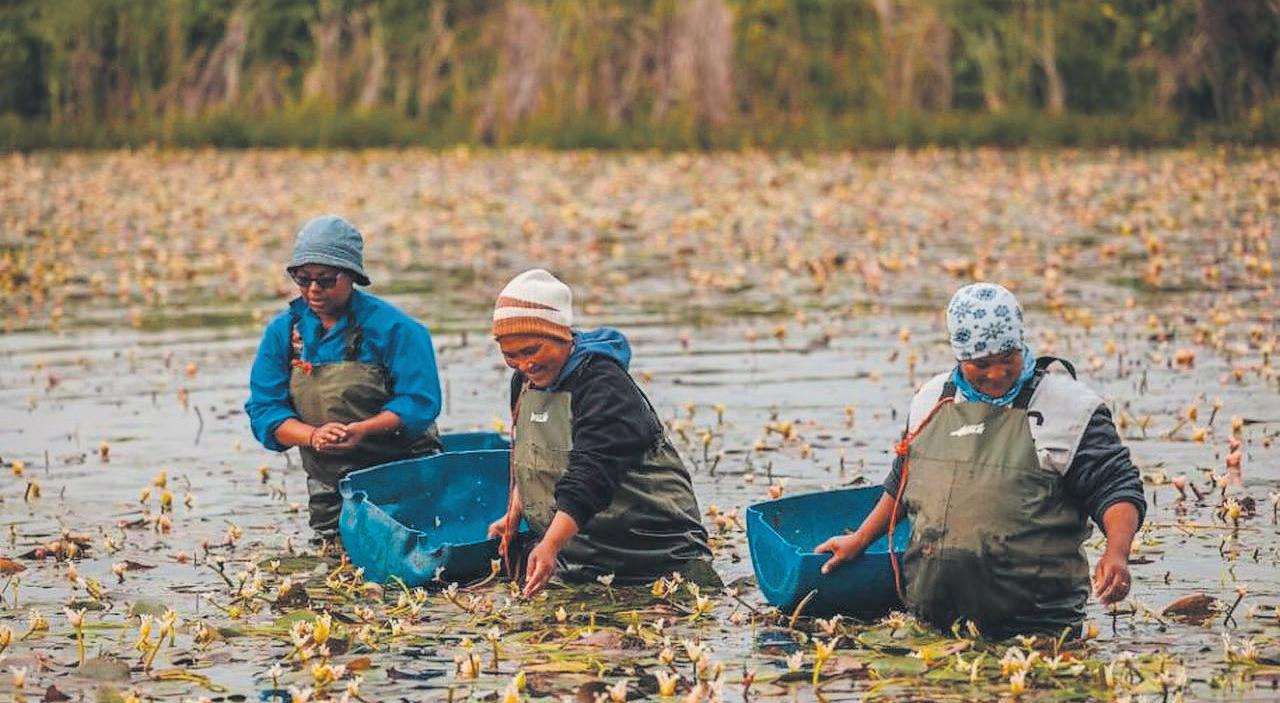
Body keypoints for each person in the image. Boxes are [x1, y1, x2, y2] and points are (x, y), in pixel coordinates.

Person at [816, 282, 1146, 639]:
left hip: (1038, 627)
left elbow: (1115, 488)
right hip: (934, 627)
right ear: (960, 357)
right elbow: (903, 482)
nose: (997, 373)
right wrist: (861, 539)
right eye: (982, 364)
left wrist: (1116, 554)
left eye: (1008, 358)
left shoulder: (1070, 408)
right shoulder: (931, 400)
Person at [485, 269, 716, 597]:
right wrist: (513, 515)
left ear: (562, 336)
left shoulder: (604, 385)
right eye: (511, 355)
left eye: (532, 350)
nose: (524, 364)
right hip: (579, 559)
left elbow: (593, 473)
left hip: (653, 559)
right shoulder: (524, 383)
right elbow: (529, 455)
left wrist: (550, 544)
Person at [246, 215, 443, 543]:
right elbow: (264, 409)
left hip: (402, 472)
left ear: (352, 276)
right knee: (334, 550)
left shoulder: (398, 329)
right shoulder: (283, 332)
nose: (313, 289)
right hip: (329, 481)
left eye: (325, 280)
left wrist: (363, 429)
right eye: (303, 279)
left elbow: (420, 401)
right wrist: (313, 436)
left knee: (411, 546)